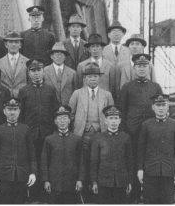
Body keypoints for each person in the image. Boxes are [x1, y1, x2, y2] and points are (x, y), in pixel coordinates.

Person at [118, 53, 163, 202]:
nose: (142, 69)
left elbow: (161, 108)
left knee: (149, 162)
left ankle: (149, 195)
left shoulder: (155, 87)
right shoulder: (127, 87)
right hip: (132, 133)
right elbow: (121, 111)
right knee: (134, 162)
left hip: (151, 133)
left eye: (145, 66)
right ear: (134, 68)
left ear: (149, 68)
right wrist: (124, 131)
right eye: (139, 66)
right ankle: (134, 196)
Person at [69, 63, 113, 203]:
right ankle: (83, 195)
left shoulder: (107, 94)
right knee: (83, 162)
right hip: (82, 135)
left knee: (98, 163)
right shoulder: (77, 93)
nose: (92, 79)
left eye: (95, 76)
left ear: (99, 78)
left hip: (101, 135)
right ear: (85, 78)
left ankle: (98, 194)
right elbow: (71, 114)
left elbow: (112, 114)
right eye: (89, 76)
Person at [18, 59, 58, 201]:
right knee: (32, 161)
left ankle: (45, 192)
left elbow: (55, 112)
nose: (36, 74)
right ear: (28, 73)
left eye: (39, 70)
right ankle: (32, 193)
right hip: (30, 133)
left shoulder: (50, 90)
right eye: (33, 71)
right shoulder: (23, 91)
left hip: (47, 133)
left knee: (46, 161)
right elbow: (20, 114)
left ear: (43, 71)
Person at [137, 94, 175, 204]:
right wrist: (140, 169)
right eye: (158, 105)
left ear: (168, 106)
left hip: (168, 173)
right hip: (150, 172)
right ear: (153, 107)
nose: (161, 108)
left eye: (163, 105)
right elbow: (141, 150)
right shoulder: (146, 125)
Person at [0, 98, 37, 204]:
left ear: (19, 111)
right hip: (4, 176)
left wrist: (33, 173)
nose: (12, 112)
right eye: (9, 109)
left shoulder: (26, 129)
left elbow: (32, 154)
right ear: (4, 111)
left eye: (15, 109)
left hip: (22, 175)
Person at [40, 106, 83, 204]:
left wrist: (80, 179)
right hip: (54, 184)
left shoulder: (77, 139)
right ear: (55, 121)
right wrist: (46, 180)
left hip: (71, 184)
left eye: (65, 118)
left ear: (69, 121)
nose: (62, 121)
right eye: (59, 119)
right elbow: (44, 162)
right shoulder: (49, 139)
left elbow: (81, 162)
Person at [90, 105, 133, 204]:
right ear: (105, 121)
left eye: (116, 118)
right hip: (103, 182)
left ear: (120, 120)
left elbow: (130, 162)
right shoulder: (98, 138)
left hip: (121, 182)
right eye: (111, 118)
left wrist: (130, 182)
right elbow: (94, 162)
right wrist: (94, 182)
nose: (113, 121)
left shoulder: (126, 138)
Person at [0, 31, 28, 97]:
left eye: (16, 42)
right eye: (10, 42)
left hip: (22, 98)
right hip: (4, 98)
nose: (13, 44)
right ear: (6, 45)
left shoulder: (27, 62)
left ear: (20, 45)